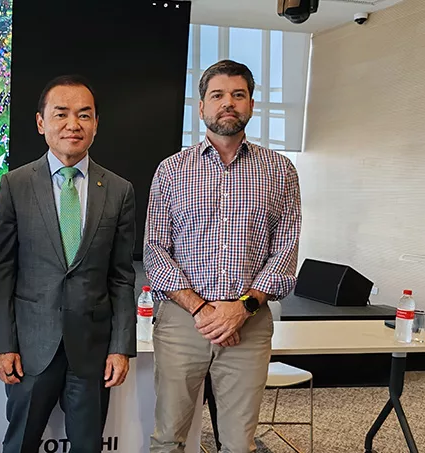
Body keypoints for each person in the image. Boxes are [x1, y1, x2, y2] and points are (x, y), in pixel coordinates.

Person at [144, 60, 302, 453]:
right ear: (201, 107)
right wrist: (202, 310)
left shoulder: (280, 171)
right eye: (217, 95)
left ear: (251, 105)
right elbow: (155, 250)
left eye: (238, 95)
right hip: (183, 323)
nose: (227, 103)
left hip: (249, 325)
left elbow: (285, 251)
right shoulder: (171, 171)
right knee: (168, 438)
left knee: (238, 444)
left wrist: (241, 309)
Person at [0, 75, 137, 453]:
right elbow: (2, 270)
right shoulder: (15, 185)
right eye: (61, 114)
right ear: (41, 123)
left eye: (84, 115)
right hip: (30, 350)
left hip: (91, 351)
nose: (73, 124)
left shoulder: (118, 190)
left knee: (88, 446)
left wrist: (121, 347)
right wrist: (3, 344)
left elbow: (121, 277)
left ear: (96, 124)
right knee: (19, 445)